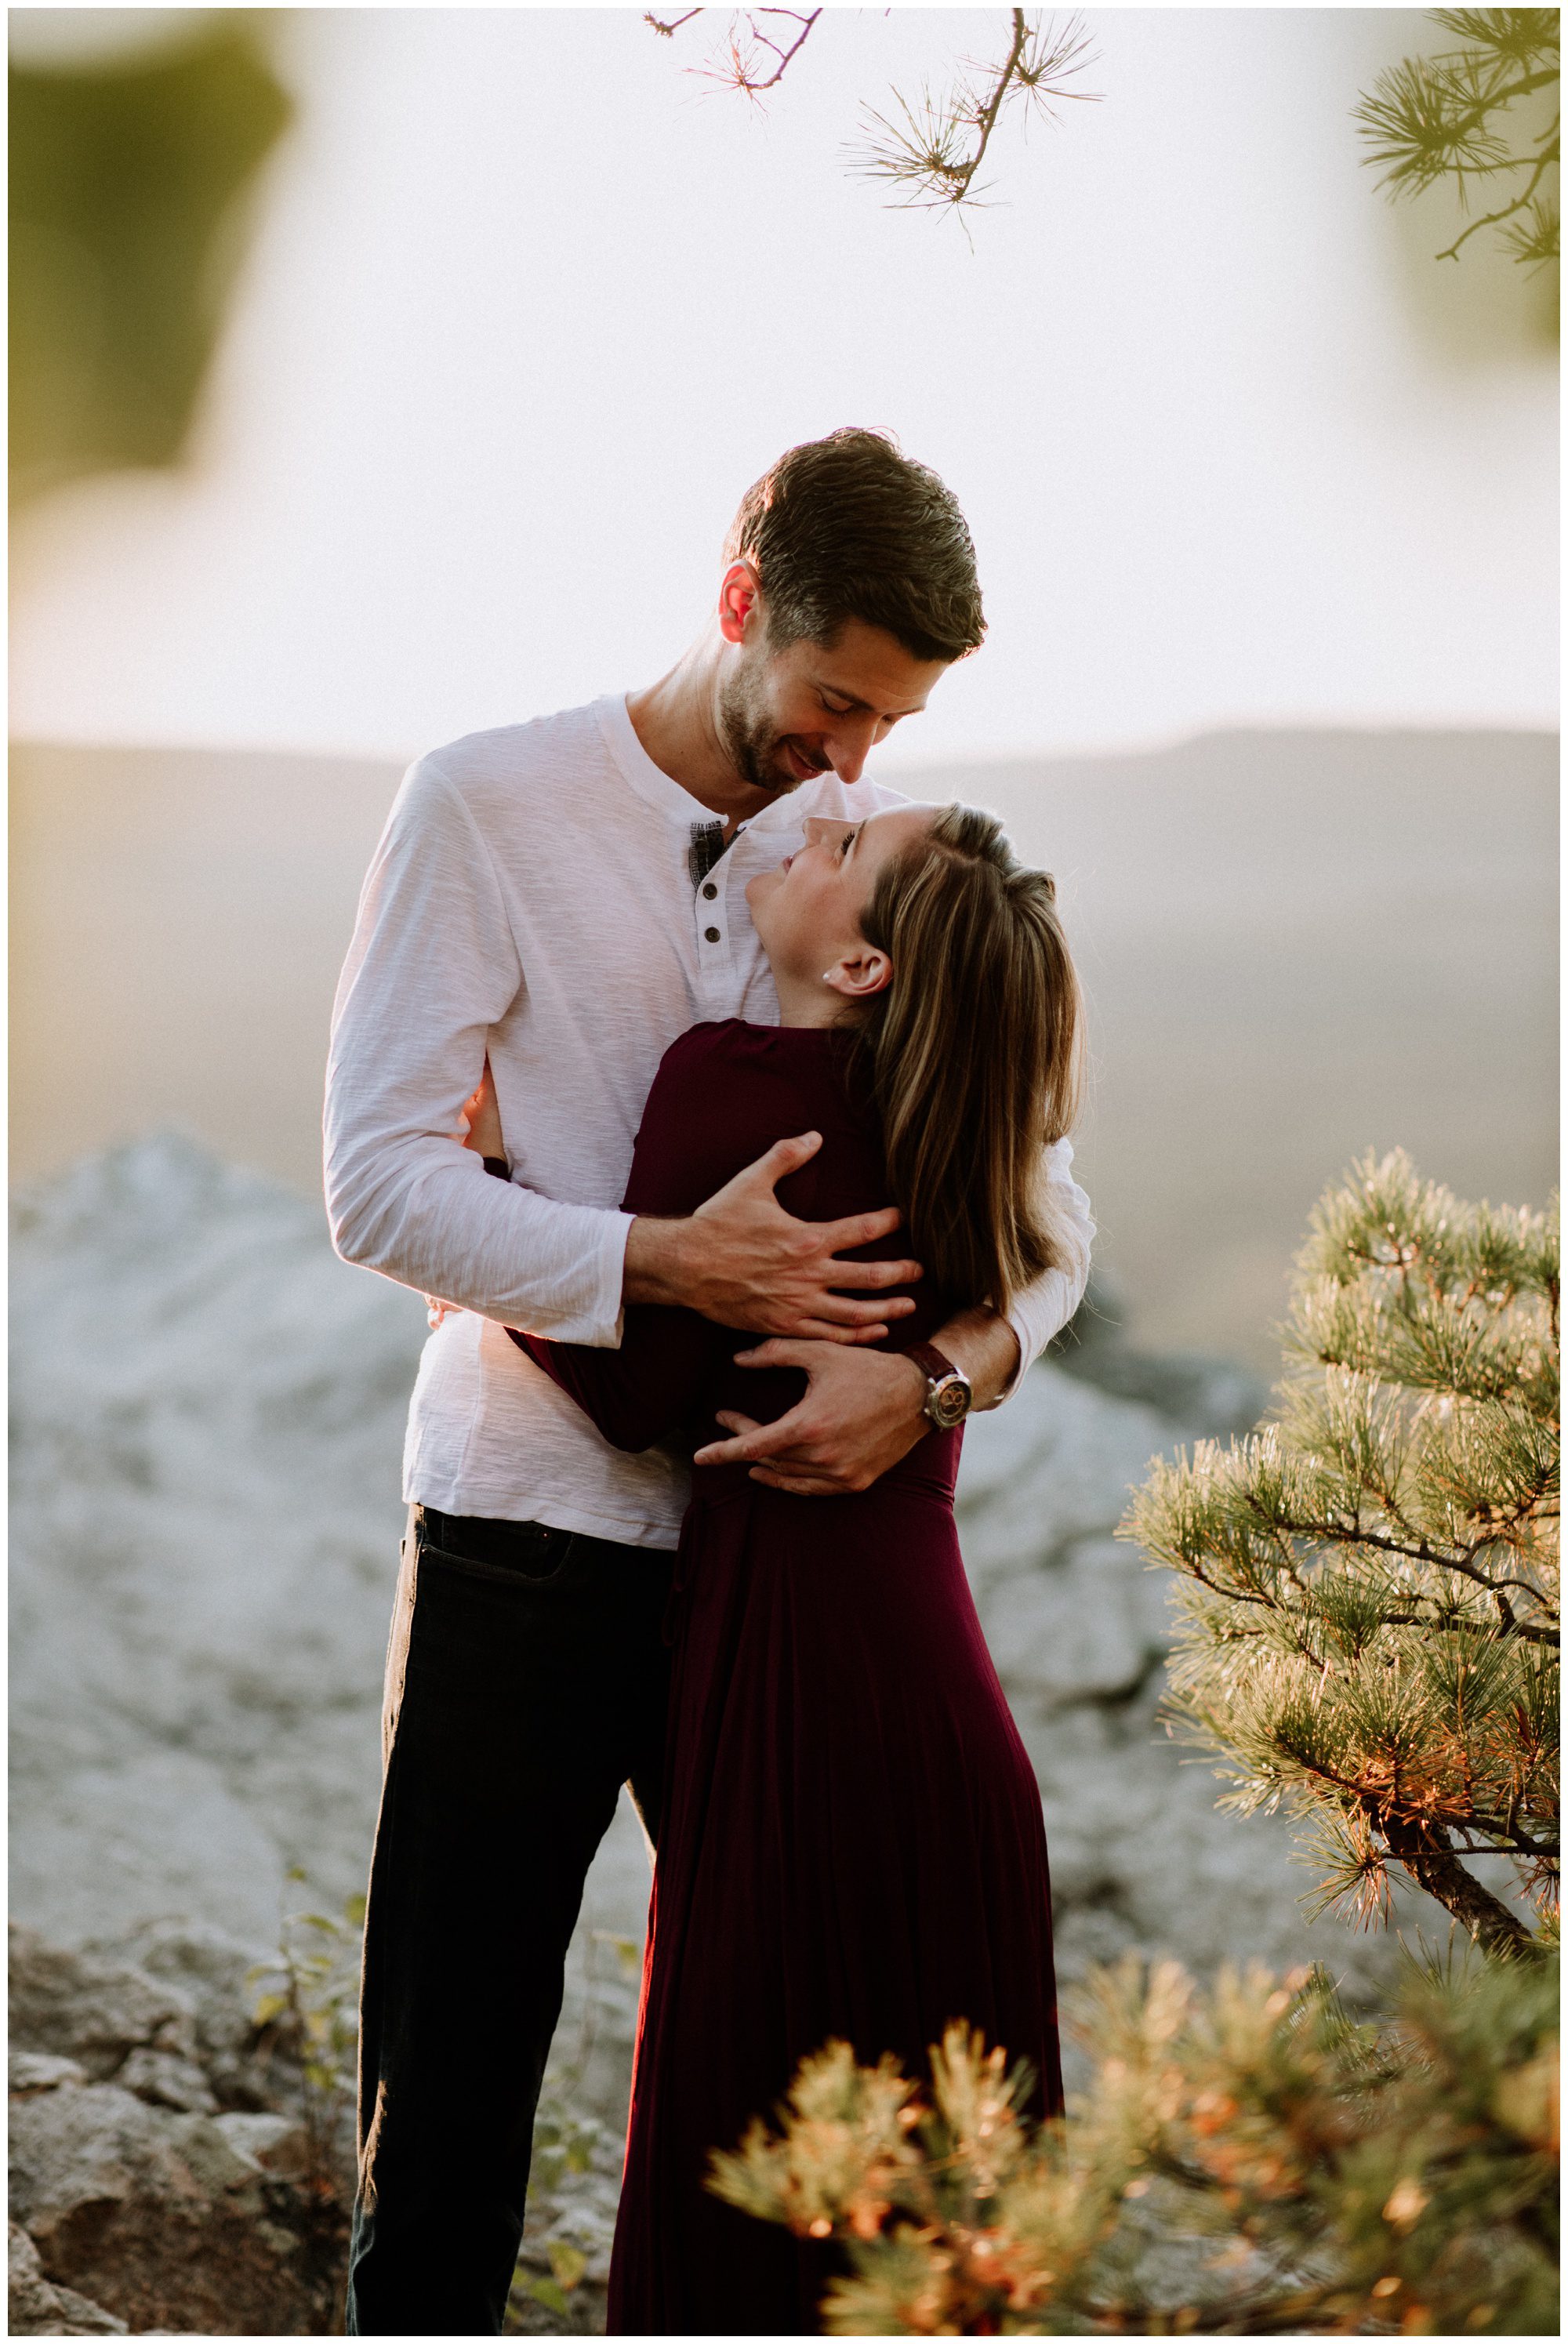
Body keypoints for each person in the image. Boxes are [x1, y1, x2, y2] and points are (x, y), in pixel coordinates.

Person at [324, 428, 1094, 2336]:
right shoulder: (481, 804)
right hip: (527, 1531)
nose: (848, 760)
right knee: (454, 2086)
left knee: (798, 2062)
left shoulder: (859, 856)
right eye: (834, 702)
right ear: (739, 604)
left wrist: (927, 1383)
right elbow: (376, 1181)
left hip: (773, 1574)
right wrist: (657, 1264)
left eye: (886, 727)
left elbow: (1054, 1206)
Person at [470, 796, 1080, 2335]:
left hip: (794, 1698)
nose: (817, 837)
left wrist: (493, 1220)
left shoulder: (739, 1083)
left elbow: (638, 1395)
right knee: (938, 2230)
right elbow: (1056, 1245)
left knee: (745, 2170)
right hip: (944, 1722)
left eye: (842, 857)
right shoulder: (968, 1126)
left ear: (863, 960)